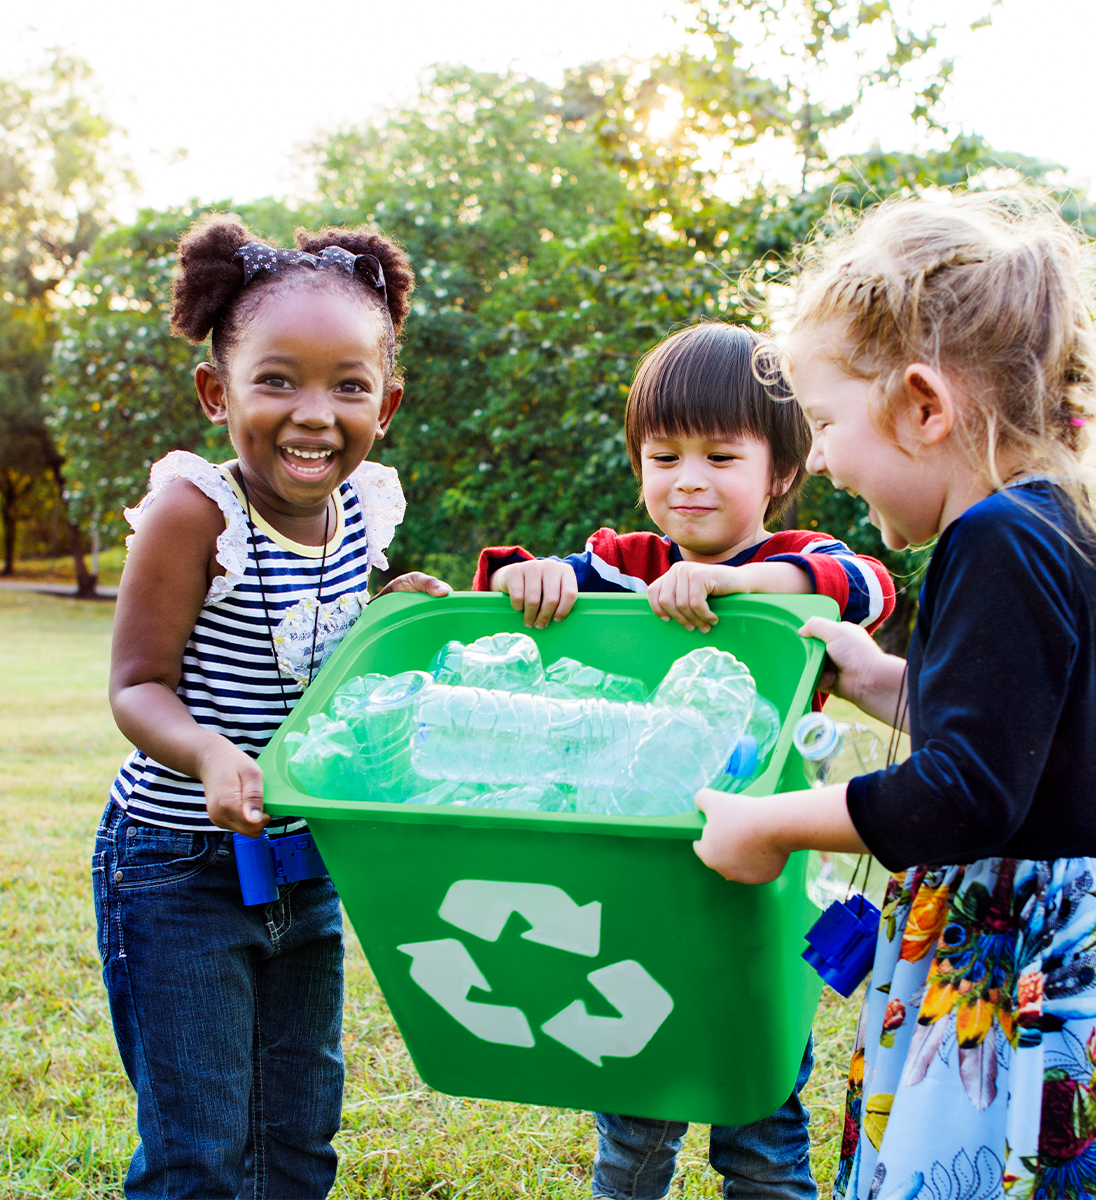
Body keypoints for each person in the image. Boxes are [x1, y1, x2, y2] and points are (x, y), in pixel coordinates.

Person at [693, 192, 1096, 1199]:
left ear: (925, 407)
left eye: (829, 423)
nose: (825, 459)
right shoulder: (1049, 518)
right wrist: (876, 673)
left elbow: (966, 793)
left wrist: (770, 826)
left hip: (1035, 967)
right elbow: (1016, 736)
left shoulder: (991, 539)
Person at [472, 322, 896, 1200]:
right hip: (634, 885)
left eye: (719, 456)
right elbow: (524, 594)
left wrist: (731, 582)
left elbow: (861, 585)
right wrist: (532, 578)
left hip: (758, 892)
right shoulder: (627, 565)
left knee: (763, 1125)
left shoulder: (794, 563)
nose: (687, 480)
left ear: (779, 473)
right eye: (663, 456)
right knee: (634, 1113)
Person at [98, 213, 430, 1199]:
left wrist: (391, 619)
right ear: (217, 392)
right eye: (276, 379)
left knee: (299, 1129)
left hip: (306, 861)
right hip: (177, 867)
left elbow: (323, 656)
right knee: (200, 1144)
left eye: (348, 384)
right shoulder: (192, 512)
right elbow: (136, 684)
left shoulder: (370, 504)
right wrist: (204, 754)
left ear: (389, 401)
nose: (313, 413)